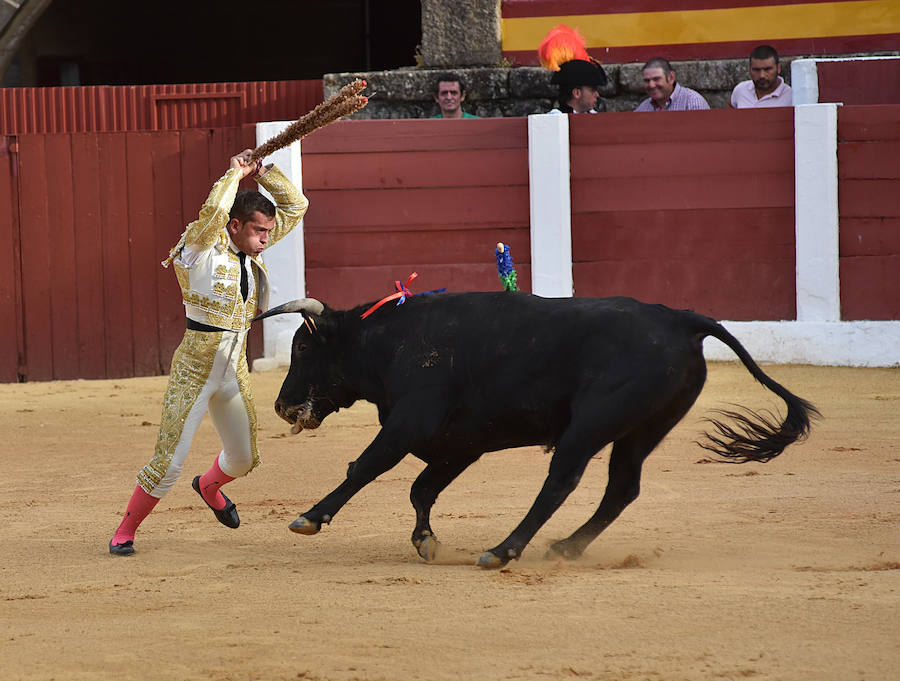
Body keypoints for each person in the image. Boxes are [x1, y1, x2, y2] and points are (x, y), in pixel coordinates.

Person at [109, 149, 308, 555]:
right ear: (234, 226)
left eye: (269, 232)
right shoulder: (198, 249)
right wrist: (233, 175)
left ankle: (209, 486)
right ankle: (125, 531)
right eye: (258, 231)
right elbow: (212, 216)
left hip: (234, 370)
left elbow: (297, 205)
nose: (266, 239)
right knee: (167, 463)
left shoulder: (249, 248)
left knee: (244, 458)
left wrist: (263, 171)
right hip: (194, 370)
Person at [634, 57, 710, 112]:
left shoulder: (692, 102)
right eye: (647, 80)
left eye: (656, 79)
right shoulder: (643, 108)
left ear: (671, 78)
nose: (651, 85)